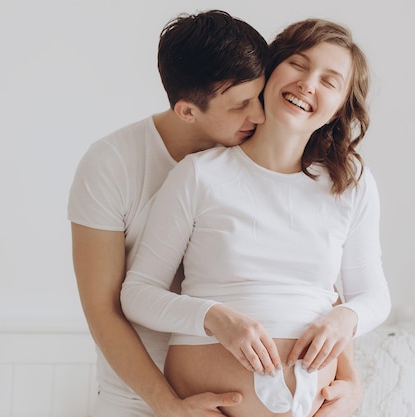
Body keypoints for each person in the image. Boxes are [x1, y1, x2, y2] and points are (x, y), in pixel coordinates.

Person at [69, 10, 362, 417]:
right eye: (243, 105)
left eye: (259, 96)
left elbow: (310, 289)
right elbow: (104, 310)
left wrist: (350, 381)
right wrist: (169, 406)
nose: (259, 115)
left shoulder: (287, 173)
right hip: (142, 398)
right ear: (188, 111)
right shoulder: (114, 164)